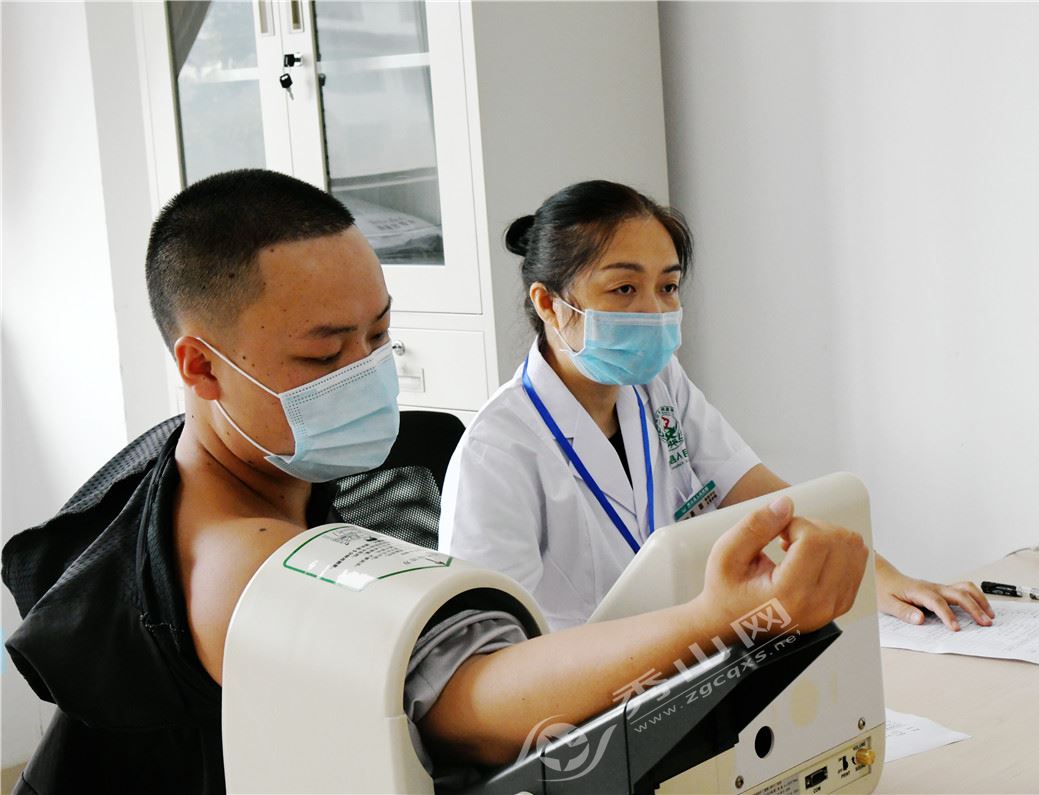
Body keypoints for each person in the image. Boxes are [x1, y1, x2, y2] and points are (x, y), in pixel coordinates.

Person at [2, 169, 869, 794]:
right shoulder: (240, 569)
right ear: (201, 367)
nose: (366, 372)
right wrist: (713, 619)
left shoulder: (247, 457)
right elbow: (473, 703)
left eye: (379, 335)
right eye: (324, 354)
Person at [439, 180, 994, 632]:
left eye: (668, 287)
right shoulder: (497, 453)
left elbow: (764, 499)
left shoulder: (658, 384)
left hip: (686, 661)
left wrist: (885, 577)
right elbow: (496, 660)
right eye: (624, 289)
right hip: (579, 703)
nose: (655, 312)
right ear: (549, 303)